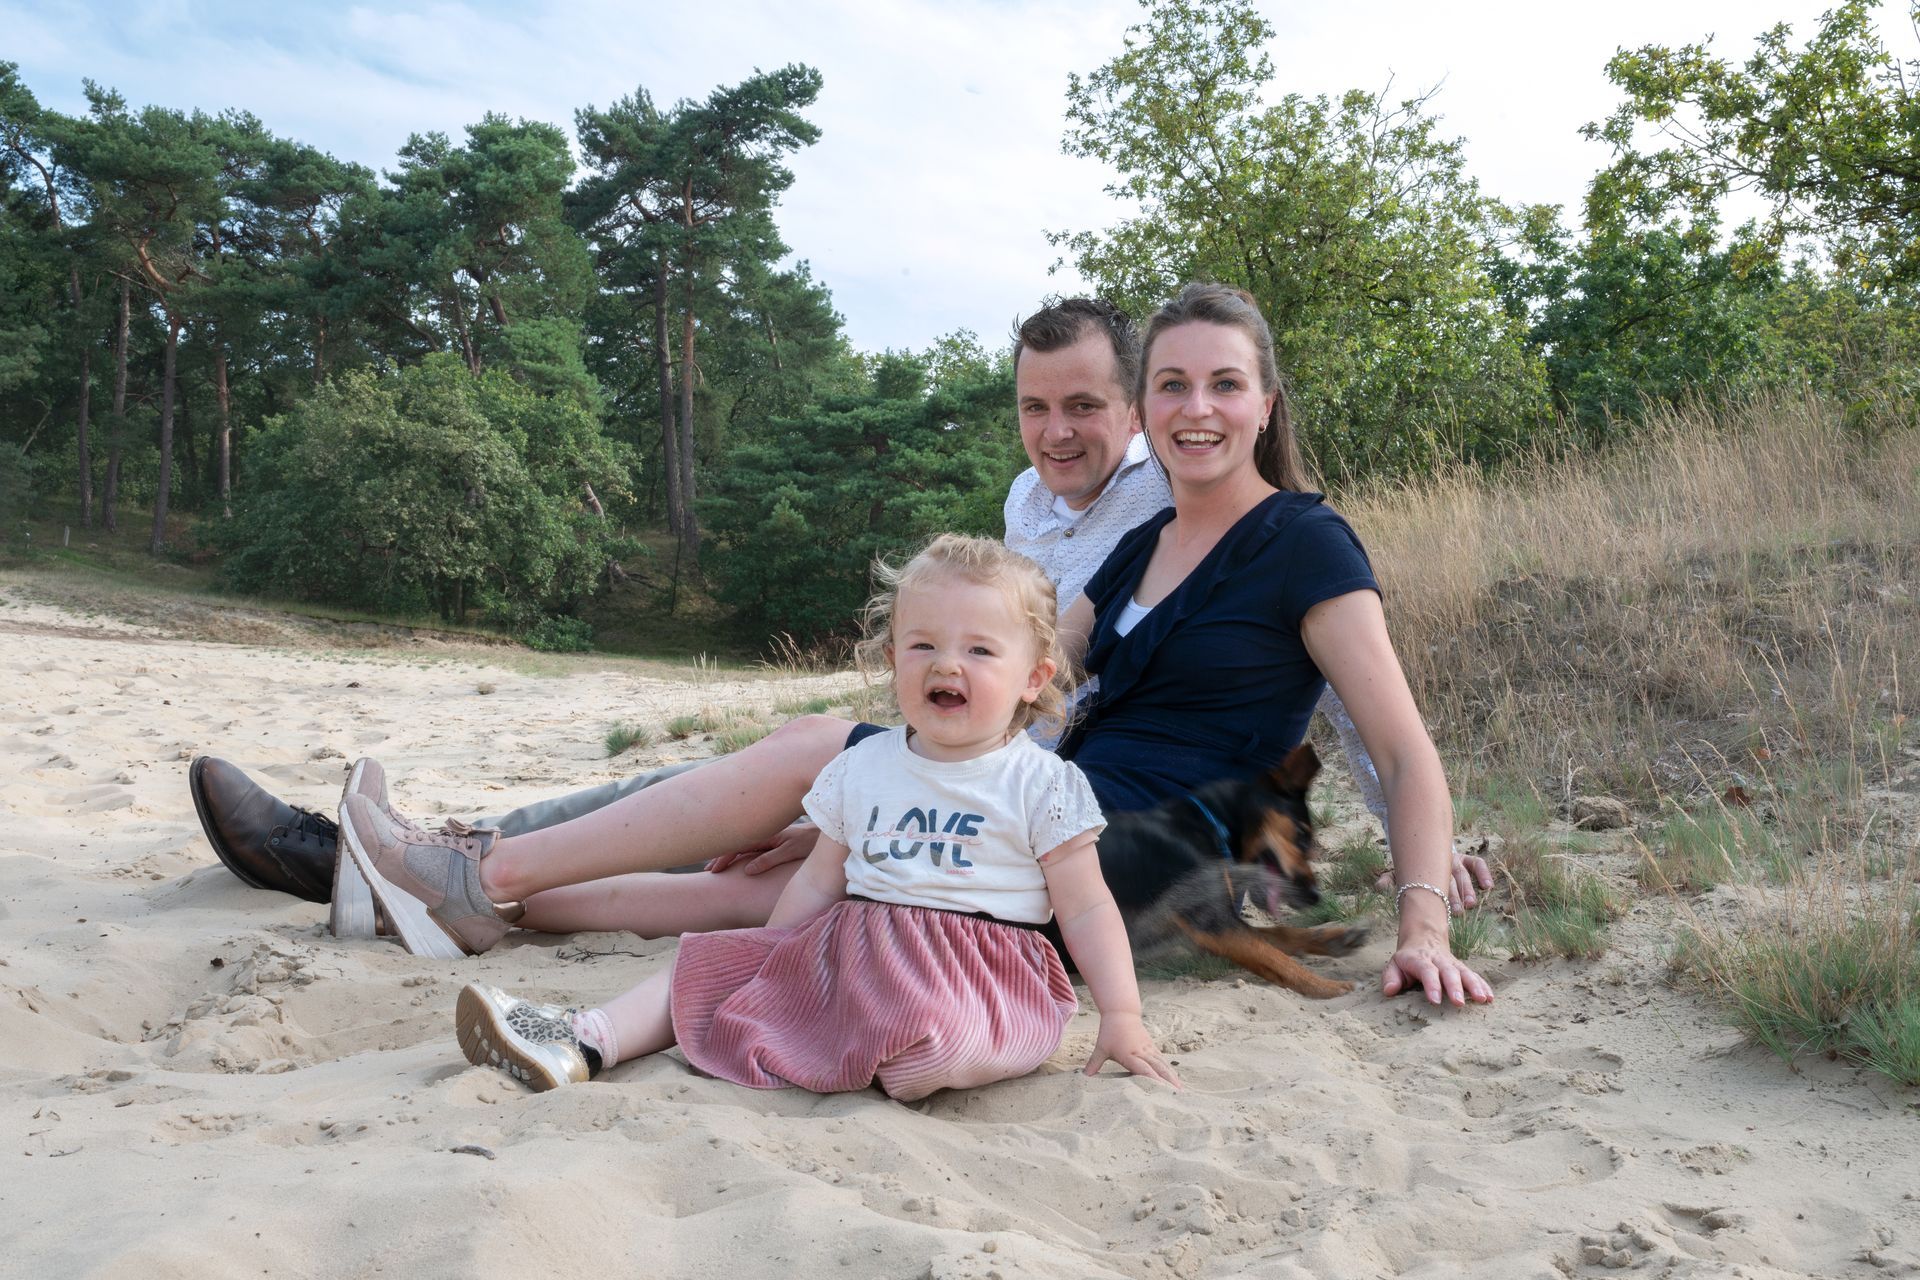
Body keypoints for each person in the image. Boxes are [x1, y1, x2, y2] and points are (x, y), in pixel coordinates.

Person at [326, 283, 1493, 1006]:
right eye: (1174, 383)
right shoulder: (1143, 547)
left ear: (1266, 402)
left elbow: (1401, 748)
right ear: (1148, 405)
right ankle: (483, 907)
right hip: (1048, 806)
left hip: (1139, 848)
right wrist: (861, 794)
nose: (1198, 407)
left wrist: (1424, 919)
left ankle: (486, 871)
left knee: (810, 752)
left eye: (1224, 385)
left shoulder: (1302, 543)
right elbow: (1021, 687)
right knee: (793, 868)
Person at [443, 534, 1181, 1098]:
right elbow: (821, 881)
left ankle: (878, 1052)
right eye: (923, 644)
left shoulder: (1043, 783)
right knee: (707, 964)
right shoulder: (864, 765)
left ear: (1033, 678)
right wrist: (766, 957)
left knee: (925, 1038)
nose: (946, 664)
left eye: (980, 650)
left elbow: (1087, 909)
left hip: (976, 979)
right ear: (891, 657)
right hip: (857, 949)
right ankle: (582, 1040)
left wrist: (1121, 1015)